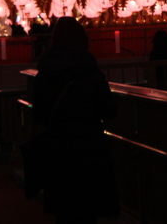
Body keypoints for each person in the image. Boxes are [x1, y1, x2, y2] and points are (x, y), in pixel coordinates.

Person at [33, 17, 118, 224]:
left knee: (64, 212)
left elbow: (39, 115)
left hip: (58, 149)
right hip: (89, 148)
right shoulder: (91, 73)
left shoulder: (44, 74)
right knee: (88, 210)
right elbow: (109, 110)